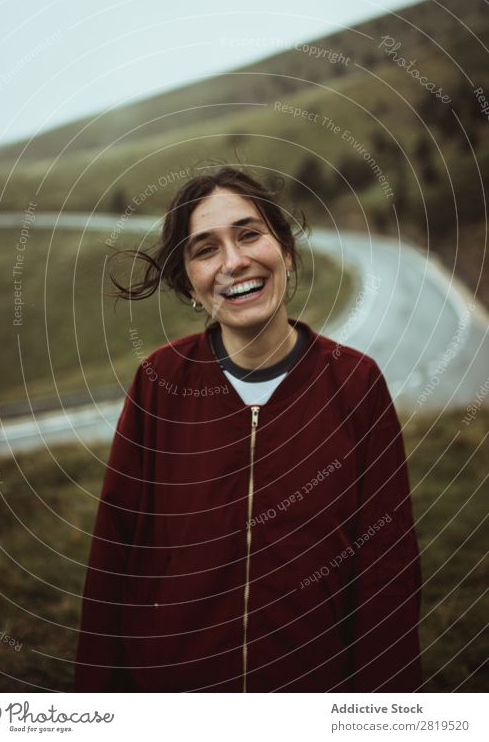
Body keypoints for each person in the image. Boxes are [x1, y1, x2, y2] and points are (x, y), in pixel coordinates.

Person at [74, 165, 422, 693]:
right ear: (188, 280)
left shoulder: (355, 383)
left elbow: (387, 570)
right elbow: (114, 561)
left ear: (285, 249)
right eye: (205, 249)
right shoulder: (160, 383)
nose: (234, 262)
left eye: (249, 234)